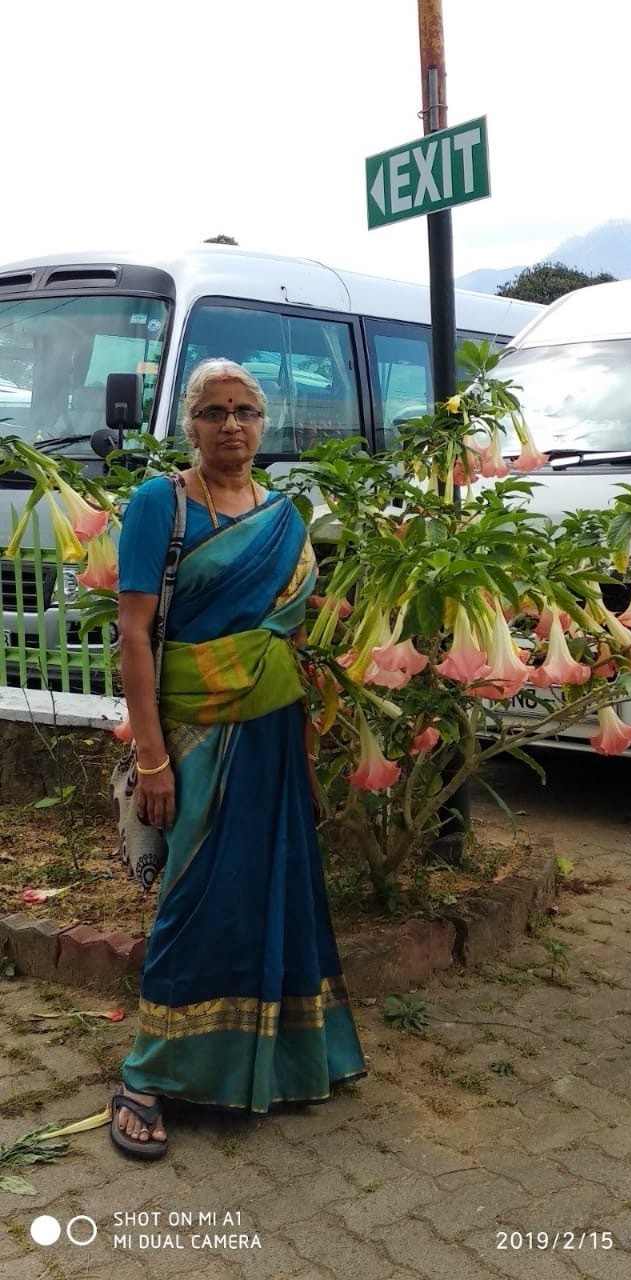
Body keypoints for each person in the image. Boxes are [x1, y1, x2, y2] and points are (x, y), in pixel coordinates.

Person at [109, 357, 366, 1158]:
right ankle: (149, 1072)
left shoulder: (284, 517)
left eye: (245, 411)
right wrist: (151, 759)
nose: (231, 425)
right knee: (192, 898)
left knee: (274, 884)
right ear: (191, 426)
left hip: (272, 729)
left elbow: (282, 628)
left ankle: (284, 1053)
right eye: (215, 411)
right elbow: (134, 636)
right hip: (193, 735)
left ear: (264, 423)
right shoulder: (162, 504)